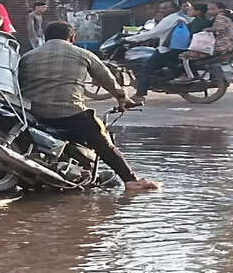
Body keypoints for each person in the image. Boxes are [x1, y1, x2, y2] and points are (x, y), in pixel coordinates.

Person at [17, 21, 160, 191]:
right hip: (71, 113)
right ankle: (131, 180)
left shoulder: (28, 56)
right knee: (102, 142)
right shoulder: (81, 53)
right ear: (72, 37)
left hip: (35, 114)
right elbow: (106, 77)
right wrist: (122, 98)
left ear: (45, 37)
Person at [121, 1, 184, 99]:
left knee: (146, 68)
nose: (161, 10)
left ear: (172, 9)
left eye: (164, 8)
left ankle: (139, 94)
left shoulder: (169, 19)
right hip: (178, 48)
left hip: (166, 50)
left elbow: (153, 33)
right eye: (161, 8)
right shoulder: (180, 17)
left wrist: (128, 39)